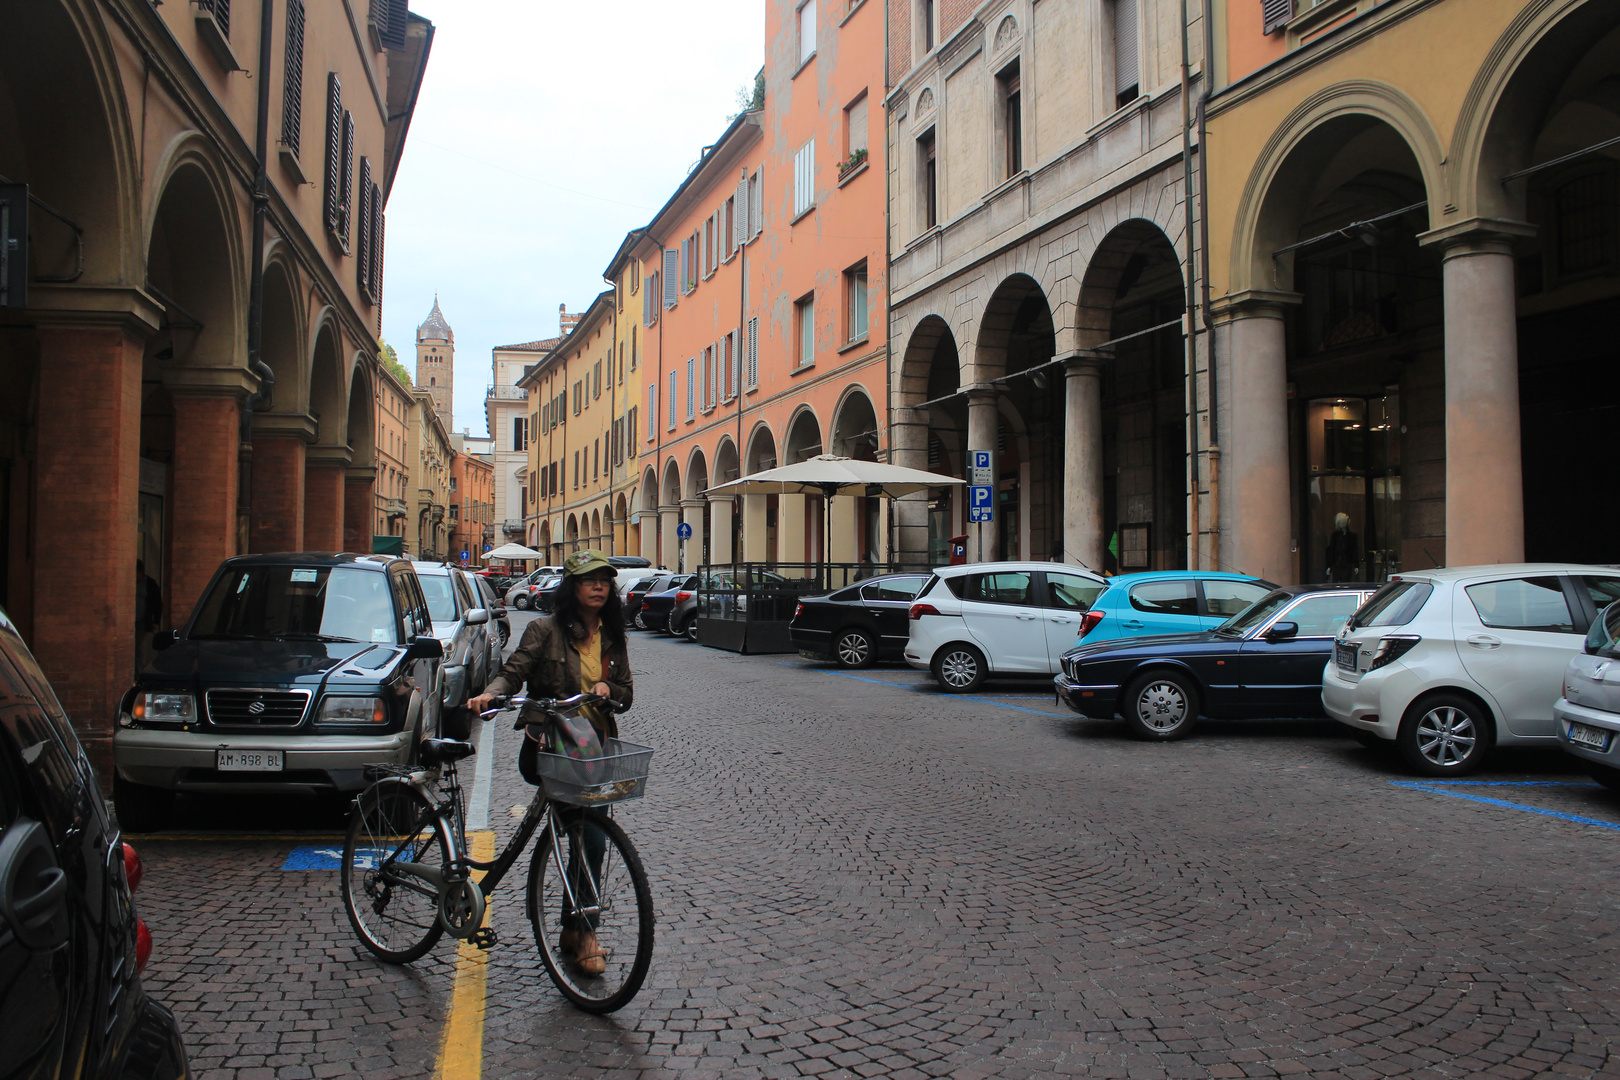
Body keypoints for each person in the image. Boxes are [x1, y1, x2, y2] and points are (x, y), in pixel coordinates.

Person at [468, 549, 633, 976]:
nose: (598, 586)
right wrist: (492, 692)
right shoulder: (545, 629)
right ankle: (585, 933)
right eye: (588, 580)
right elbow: (515, 670)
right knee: (589, 838)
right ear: (572, 588)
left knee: (583, 834)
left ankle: (572, 930)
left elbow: (626, 694)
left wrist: (607, 688)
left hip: (593, 751)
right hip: (550, 748)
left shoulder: (613, 635)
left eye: (604, 580)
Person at [1326, 512, 1360, 582]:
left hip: (1347, 564)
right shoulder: (1335, 535)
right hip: (1337, 564)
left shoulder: (1352, 536)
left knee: (1346, 581)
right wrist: (1329, 566)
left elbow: (1354, 551)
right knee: (1336, 582)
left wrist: (1356, 565)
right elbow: (1331, 551)